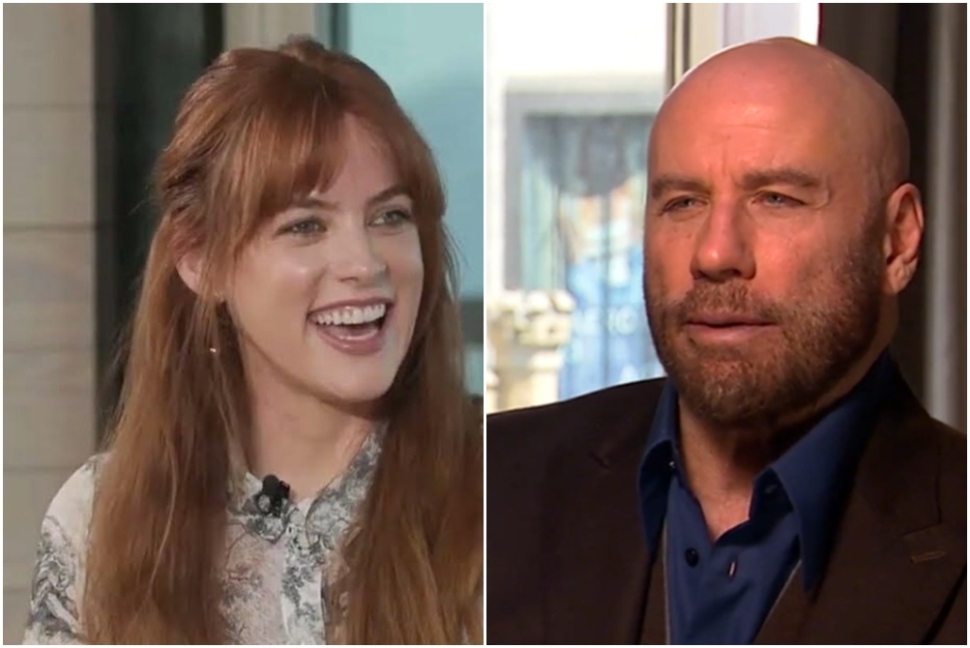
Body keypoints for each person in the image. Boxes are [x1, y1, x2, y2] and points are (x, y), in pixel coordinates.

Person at [487, 38, 965, 645]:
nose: (714, 254)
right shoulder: (489, 482)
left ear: (896, 241)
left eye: (776, 199)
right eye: (683, 202)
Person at [24, 36, 482, 645]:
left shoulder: (502, 495)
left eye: (389, 216)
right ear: (200, 260)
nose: (365, 263)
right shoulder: (97, 522)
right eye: (306, 225)